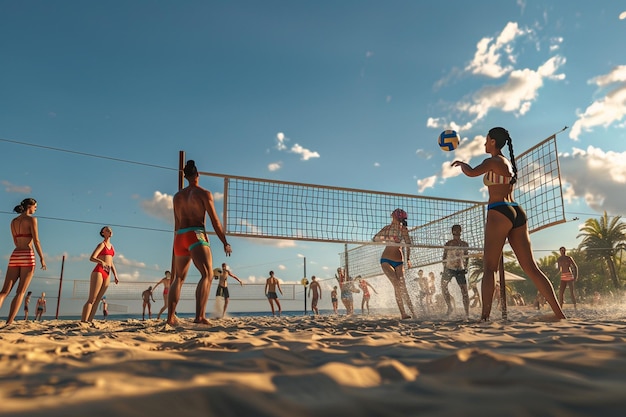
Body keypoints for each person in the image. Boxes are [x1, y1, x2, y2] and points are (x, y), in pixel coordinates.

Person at [451, 127, 566, 321]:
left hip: (499, 210)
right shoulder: (509, 163)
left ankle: (484, 318)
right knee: (531, 268)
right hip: (516, 211)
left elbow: (471, 173)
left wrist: (462, 164)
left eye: (487, 140)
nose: (485, 144)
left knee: (489, 268)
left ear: (494, 141)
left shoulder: (493, 161)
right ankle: (559, 314)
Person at [168, 160, 232, 326]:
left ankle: (170, 318)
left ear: (186, 176)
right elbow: (215, 221)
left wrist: (174, 245)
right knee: (207, 275)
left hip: (180, 236)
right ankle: (200, 316)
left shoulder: (177, 197)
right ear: (197, 175)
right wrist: (225, 241)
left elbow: (176, 224)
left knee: (178, 278)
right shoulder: (204, 193)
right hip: (196, 234)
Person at [0, 198, 46, 325]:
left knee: (4, 292)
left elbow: (15, 241)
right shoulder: (32, 220)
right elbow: (36, 240)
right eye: (35, 206)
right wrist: (42, 258)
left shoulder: (13, 221)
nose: (35, 208)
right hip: (27, 254)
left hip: (15, 254)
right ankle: (9, 322)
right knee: (20, 292)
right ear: (29, 206)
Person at [373, 208, 416, 319]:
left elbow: (408, 244)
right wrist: (385, 238)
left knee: (403, 287)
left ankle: (414, 313)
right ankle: (403, 313)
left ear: (396, 217)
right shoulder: (387, 228)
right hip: (386, 260)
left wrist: (408, 259)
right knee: (396, 284)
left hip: (399, 261)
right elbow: (375, 239)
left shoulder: (403, 230)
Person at [81, 226, 119, 323]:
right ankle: (83, 321)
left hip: (108, 273)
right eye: (106, 230)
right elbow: (92, 257)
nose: (109, 230)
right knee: (92, 299)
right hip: (99, 271)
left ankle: (89, 321)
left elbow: (111, 262)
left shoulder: (112, 246)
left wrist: (115, 275)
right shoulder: (102, 245)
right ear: (103, 233)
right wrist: (101, 262)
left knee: (98, 300)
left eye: (110, 229)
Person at [441, 224, 470, 319]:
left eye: (458, 231)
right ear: (452, 232)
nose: (457, 233)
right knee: (443, 286)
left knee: (464, 291)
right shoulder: (449, 244)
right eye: (455, 231)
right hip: (449, 268)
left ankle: (467, 313)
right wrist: (444, 268)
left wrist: (465, 267)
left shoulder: (464, 244)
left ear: (461, 232)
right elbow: (444, 257)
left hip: (459, 269)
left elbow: (466, 257)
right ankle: (450, 307)